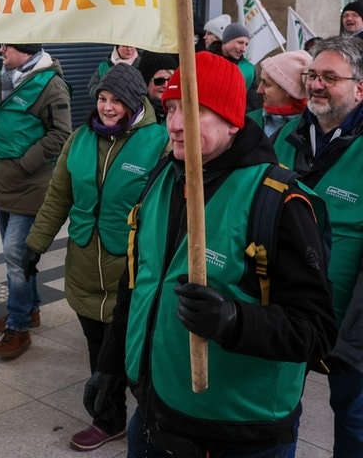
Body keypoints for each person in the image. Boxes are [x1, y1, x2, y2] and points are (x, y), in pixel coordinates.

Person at [85, 51, 336, 457]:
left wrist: (235, 320)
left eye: (195, 110)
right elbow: (137, 282)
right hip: (153, 415)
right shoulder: (163, 178)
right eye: (169, 109)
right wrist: (112, 366)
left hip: (236, 435)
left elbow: (317, 331)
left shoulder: (278, 202)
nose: (176, 125)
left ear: (234, 119)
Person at [25, 64, 169, 451]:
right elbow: (59, 197)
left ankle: (154, 423)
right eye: (103, 99)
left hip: (133, 270)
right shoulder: (79, 140)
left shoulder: (159, 141)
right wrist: (35, 244)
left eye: (117, 100)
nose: (107, 107)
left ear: (134, 102)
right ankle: (108, 420)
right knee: (96, 345)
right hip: (85, 262)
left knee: (135, 351)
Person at [272, 35, 363, 456]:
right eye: (312, 75)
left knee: (354, 421)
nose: (316, 85)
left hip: (352, 325)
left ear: (360, 88)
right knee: (276, 410)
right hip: (288, 310)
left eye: (330, 77)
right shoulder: (288, 136)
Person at [0, 42, 71, 359]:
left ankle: (18, 326)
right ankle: (29, 308)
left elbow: (61, 133)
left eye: (8, 46)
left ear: (27, 51)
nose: (1, 50)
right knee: (19, 255)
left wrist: (25, 164)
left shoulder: (51, 83)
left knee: (14, 256)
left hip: (29, 183)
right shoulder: (6, 76)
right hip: (3, 181)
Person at [247, 49, 310, 137]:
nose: (259, 90)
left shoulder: (312, 129)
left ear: (288, 90)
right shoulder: (248, 121)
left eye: (266, 84)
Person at [218, 21, 261, 112]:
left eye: (246, 44)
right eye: (240, 42)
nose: (243, 49)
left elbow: (252, 103)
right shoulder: (206, 60)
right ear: (227, 40)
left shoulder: (249, 69)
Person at [136, 51, 179, 124]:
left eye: (170, 80)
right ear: (145, 82)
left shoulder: (184, 112)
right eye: (159, 81)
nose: (166, 85)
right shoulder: (136, 115)